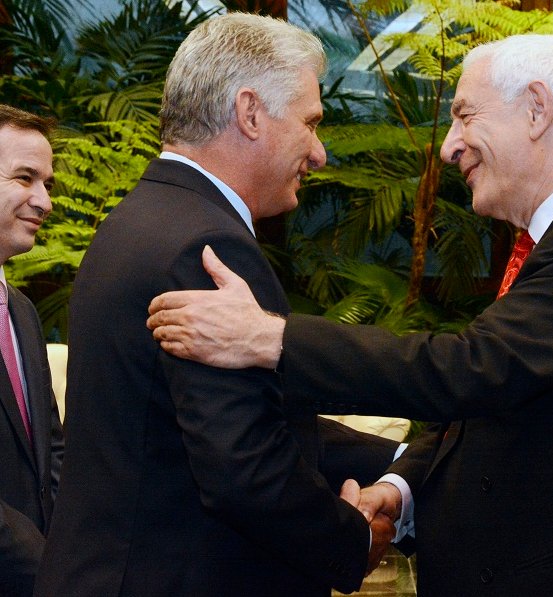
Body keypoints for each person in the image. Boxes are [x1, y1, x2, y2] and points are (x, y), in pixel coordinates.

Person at [147, 34, 553, 596]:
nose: (449, 147)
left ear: (537, 109)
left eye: (465, 116)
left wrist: (267, 338)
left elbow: (472, 370)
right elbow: (501, 404)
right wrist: (404, 486)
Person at [34, 14, 400, 597]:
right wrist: (349, 539)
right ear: (251, 112)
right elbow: (241, 465)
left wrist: (405, 461)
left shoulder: (141, 219)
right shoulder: (206, 246)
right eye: (309, 123)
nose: (320, 152)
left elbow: (212, 418)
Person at [0, 104, 65, 596]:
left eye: (47, 183)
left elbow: (53, 453)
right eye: (25, 178)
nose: (44, 202)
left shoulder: (21, 312)